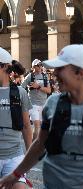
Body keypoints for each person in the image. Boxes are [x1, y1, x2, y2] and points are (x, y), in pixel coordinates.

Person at [0, 44, 83, 189]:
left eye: (60, 69)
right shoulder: (53, 103)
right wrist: (16, 174)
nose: (54, 74)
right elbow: (40, 145)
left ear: (80, 73)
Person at [0, 47, 33, 189]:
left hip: (14, 156)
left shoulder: (20, 92)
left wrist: (29, 157)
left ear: (5, 67)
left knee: (20, 187)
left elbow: (26, 126)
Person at [21, 59, 51, 140]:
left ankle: (37, 145)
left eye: (40, 65)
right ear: (33, 66)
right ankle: (33, 146)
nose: (40, 66)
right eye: (38, 65)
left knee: (41, 126)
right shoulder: (30, 76)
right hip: (33, 104)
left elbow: (49, 90)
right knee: (37, 125)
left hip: (43, 104)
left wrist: (38, 87)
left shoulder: (45, 76)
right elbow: (21, 88)